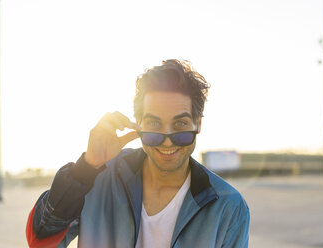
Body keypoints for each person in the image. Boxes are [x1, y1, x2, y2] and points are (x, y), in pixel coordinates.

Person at [26, 59, 250, 248]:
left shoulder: (229, 208)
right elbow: (40, 239)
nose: (167, 139)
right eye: (154, 124)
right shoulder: (97, 177)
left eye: (180, 124)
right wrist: (87, 167)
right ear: (138, 125)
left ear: (198, 125)